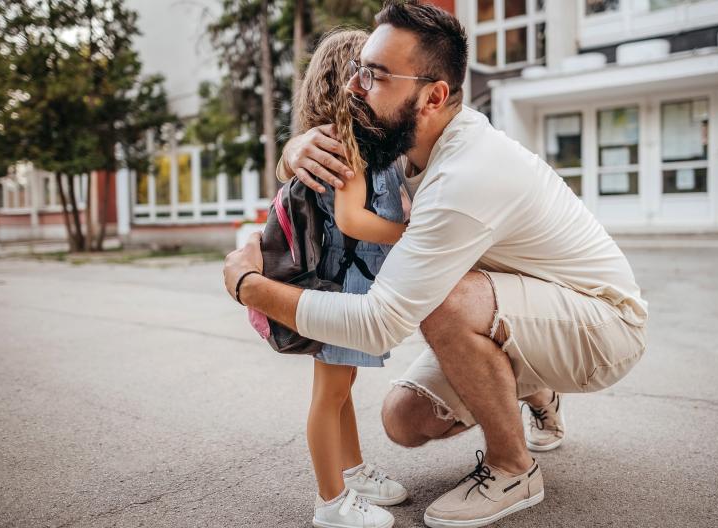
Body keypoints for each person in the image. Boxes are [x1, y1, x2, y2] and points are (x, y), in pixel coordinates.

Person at [224, 3, 648, 527]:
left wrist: (250, 286)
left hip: (603, 324)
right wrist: (296, 150)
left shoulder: (466, 174)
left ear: (434, 96)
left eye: (374, 75)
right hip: (521, 299)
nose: (355, 87)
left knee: (441, 301)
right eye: (359, 69)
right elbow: (341, 164)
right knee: (403, 420)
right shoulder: (408, 139)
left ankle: (513, 467)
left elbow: (379, 323)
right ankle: (535, 385)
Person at [288, 29, 412, 528]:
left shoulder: (355, 139)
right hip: (342, 288)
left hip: (348, 286)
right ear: (352, 78)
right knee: (329, 395)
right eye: (371, 69)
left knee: (341, 387)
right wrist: (409, 232)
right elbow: (351, 220)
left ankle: (353, 472)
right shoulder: (347, 142)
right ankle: (330, 502)